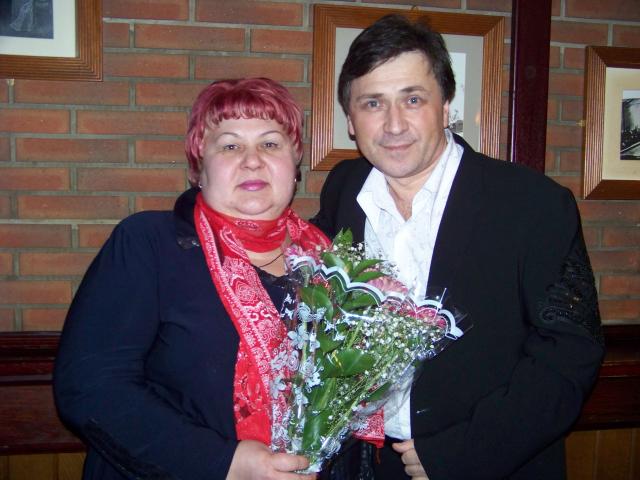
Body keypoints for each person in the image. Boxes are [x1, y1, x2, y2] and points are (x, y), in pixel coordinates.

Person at [311, 14, 604, 480]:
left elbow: (570, 356)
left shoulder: (534, 205)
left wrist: (464, 453)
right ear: (350, 120)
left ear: (446, 106)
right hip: (369, 464)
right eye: (372, 103)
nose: (393, 124)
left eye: (413, 99)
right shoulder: (344, 189)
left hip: (485, 464)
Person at [53, 78, 327, 480]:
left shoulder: (328, 262)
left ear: (295, 162)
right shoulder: (149, 243)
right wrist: (224, 464)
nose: (252, 161)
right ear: (199, 167)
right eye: (230, 146)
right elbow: (90, 387)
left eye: (270, 143)